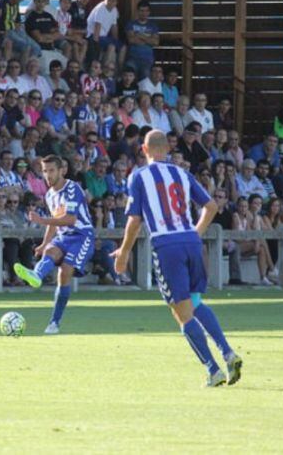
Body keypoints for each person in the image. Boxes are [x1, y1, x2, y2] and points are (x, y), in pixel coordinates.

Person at [111, 130, 242, 387]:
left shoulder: (138, 176)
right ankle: (227, 352)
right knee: (194, 302)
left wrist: (124, 251)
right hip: (191, 242)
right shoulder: (182, 173)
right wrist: (195, 234)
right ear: (167, 150)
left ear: (144, 150)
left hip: (166, 244)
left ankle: (213, 370)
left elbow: (134, 219)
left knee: (182, 314)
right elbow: (212, 207)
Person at [12, 155, 95, 334]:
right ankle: (36, 275)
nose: (48, 175)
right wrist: (43, 244)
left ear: (61, 171)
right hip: (63, 236)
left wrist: (41, 219)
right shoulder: (49, 195)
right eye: (44, 171)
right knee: (50, 251)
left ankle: (54, 322)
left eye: (51, 171)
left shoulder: (72, 188)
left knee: (64, 273)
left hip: (81, 236)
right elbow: (55, 221)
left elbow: (70, 219)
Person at [86, 0, 126, 68]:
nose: (110, 3)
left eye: (113, 1)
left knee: (123, 47)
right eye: (108, 0)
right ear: (104, 0)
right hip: (93, 36)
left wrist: (116, 40)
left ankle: (121, 71)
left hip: (104, 37)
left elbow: (114, 27)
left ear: (116, 2)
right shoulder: (100, 9)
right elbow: (97, 28)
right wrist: (96, 47)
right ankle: (104, 69)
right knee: (112, 46)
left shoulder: (114, 10)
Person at [125, 0, 159, 80]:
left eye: (146, 11)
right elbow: (131, 40)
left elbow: (156, 42)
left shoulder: (153, 26)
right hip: (132, 58)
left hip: (147, 60)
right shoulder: (131, 24)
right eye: (142, 11)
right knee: (128, 75)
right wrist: (148, 39)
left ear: (149, 12)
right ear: (137, 11)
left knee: (146, 76)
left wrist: (140, 35)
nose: (144, 13)